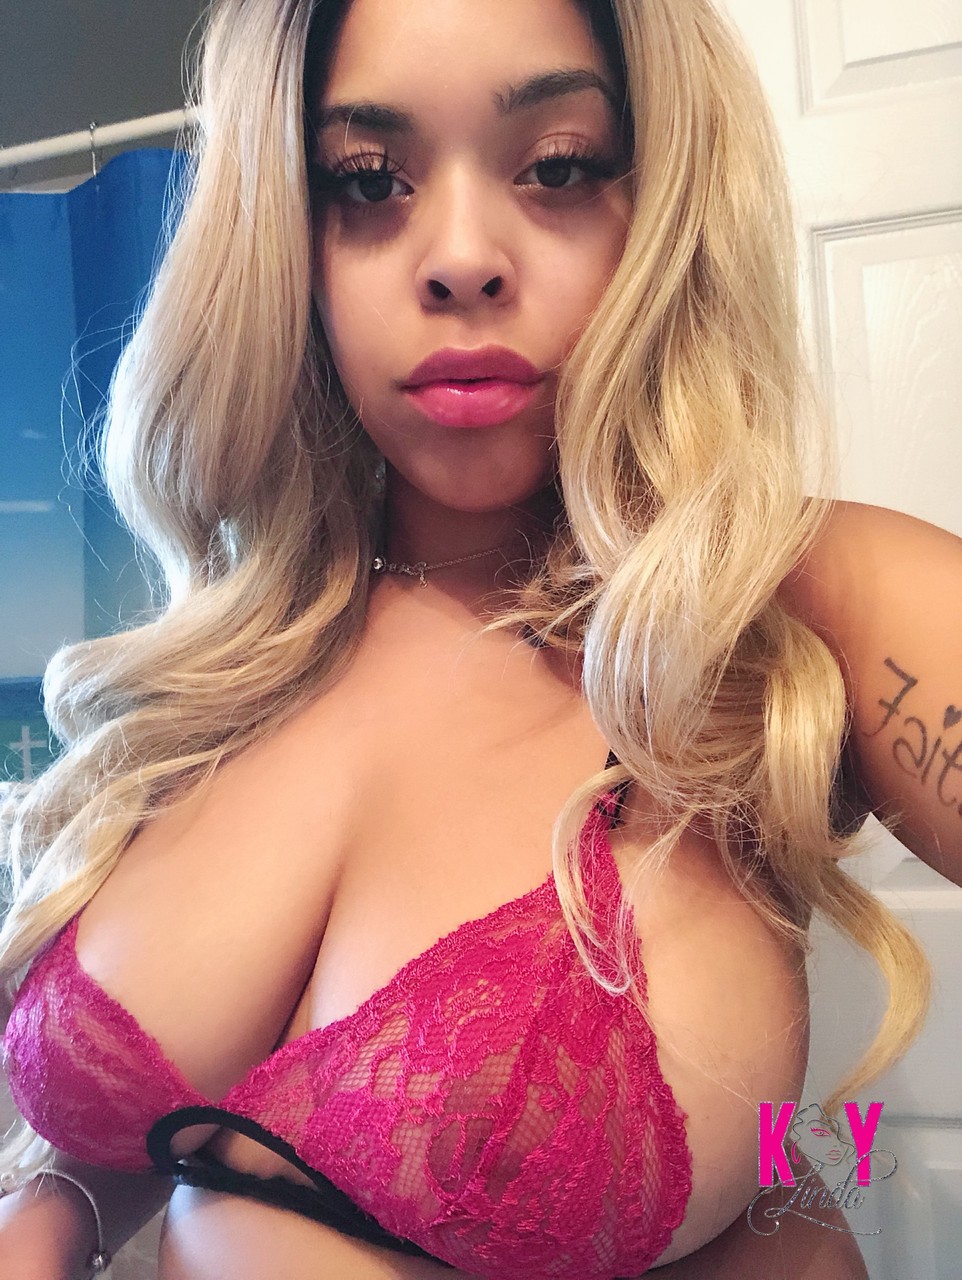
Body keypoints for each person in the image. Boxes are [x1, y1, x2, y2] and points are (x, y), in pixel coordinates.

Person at [0, 0, 957, 1276]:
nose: (459, 257)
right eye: (367, 181)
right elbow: (183, 1128)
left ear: (660, 200)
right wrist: (53, 1211)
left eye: (556, 167)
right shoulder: (243, 659)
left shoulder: (777, 601)